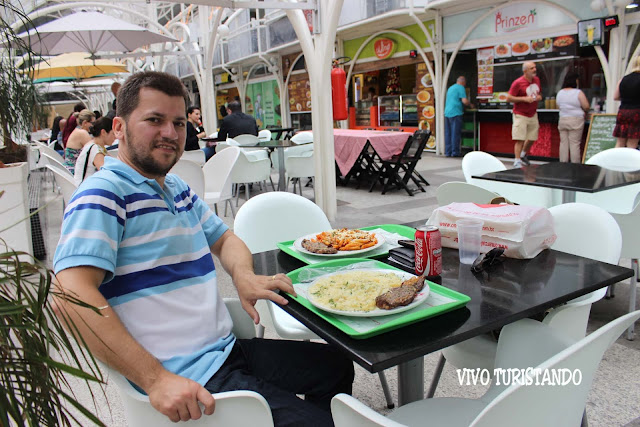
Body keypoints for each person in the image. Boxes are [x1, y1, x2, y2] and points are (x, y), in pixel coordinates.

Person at [52, 71, 353, 426]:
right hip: (188, 377)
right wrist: (155, 379)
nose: (170, 133)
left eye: (178, 123)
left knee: (334, 366)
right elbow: (68, 295)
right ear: (119, 126)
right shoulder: (104, 194)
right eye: (154, 120)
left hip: (226, 351)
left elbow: (226, 239)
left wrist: (243, 276)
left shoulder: (175, 186)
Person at [506, 61, 542, 168]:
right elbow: (509, 98)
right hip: (520, 113)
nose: (534, 70)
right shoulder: (518, 83)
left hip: (532, 113)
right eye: (531, 68)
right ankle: (517, 160)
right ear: (525, 71)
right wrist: (524, 99)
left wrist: (539, 97)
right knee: (520, 138)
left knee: (532, 137)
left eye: (535, 67)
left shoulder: (537, 80)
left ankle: (522, 155)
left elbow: (539, 94)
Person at [556, 73, 589, 163]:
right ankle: (575, 166)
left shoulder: (560, 93)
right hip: (576, 119)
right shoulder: (578, 92)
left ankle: (563, 164)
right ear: (575, 81)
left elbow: (558, 106)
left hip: (563, 119)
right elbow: (586, 106)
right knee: (574, 144)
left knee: (563, 143)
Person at [73, 117, 115, 184]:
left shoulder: (93, 145)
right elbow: (107, 174)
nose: (115, 137)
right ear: (103, 132)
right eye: (113, 134)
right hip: (86, 189)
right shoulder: (96, 151)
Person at [613, 56, 640, 149]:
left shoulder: (623, 79)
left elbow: (615, 97)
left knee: (620, 142)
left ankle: (615, 161)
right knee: (632, 144)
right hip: (637, 113)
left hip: (623, 112)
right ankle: (627, 163)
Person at [444, 76, 472, 157]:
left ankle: (448, 152)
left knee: (448, 133)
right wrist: (470, 104)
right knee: (455, 133)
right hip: (456, 113)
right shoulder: (461, 88)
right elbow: (464, 101)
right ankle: (455, 152)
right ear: (463, 82)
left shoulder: (450, 88)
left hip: (447, 112)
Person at [63, 109, 95, 174]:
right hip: (75, 172)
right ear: (85, 123)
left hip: (69, 171)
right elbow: (95, 150)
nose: (94, 126)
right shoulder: (82, 133)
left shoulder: (77, 130)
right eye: (93, 123)